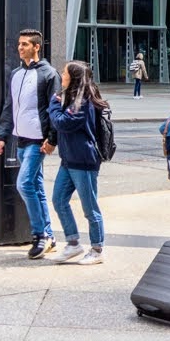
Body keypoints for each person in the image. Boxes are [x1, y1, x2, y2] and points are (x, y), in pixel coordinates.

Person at [0, 29, 59, 259]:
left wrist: (52, 139)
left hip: (37, 142)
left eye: (25, 44)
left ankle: (39, 235)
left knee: (24, 185)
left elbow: (55, 109)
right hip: (20, 140)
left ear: (36, 47)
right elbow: (9, 107)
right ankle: (49, 235)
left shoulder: (49, 74)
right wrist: (2, 136)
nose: (20, 48)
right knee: (36, 187)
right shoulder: (16, 74)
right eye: (19, 44)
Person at [48, 60, 107, 265]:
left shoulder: (82, 102)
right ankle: (73, 243)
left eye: (64, 73)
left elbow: (62, 122)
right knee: (58, 200)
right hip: (68, 160)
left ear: (73, 78)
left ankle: (97, 249)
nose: (61, 76)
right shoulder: (72, 99)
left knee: (90, 208)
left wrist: (54, 104)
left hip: (83, 161)